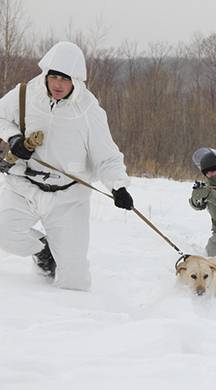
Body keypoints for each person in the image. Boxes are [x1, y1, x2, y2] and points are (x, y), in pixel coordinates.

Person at [0, 41, 133, 291]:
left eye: (65, 78)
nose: (58, 84)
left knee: (74, 279)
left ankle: (77, 322)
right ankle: (44, 252)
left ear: (76, 80)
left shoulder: (88, 110)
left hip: (68, 197)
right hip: (24, 185)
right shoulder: (25, 94)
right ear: (46, 75)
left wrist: (118, 186)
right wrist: (14, 138)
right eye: (54, 77)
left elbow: (107, 157)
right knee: (4, 234)